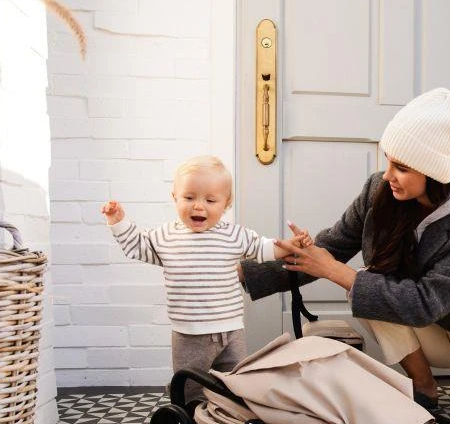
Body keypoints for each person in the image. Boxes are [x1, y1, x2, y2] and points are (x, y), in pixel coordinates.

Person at [242, 88, 450, 424]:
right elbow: (329, 249)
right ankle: (424, 388)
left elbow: (427, 301)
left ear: (432, 170)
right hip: (429, 337)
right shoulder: (378, 191)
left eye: (401, 167)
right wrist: (242, 274)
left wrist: (336, 271)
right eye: (388, 161)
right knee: (368, 288)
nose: (387, 175)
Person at [102, 155, 311, 401]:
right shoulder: (167, 236)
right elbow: (138, 246)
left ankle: (228, 421)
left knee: (235, 386)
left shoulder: (233, 235)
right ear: (175, 197)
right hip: (189, 335)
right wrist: (119, 222)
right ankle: (189, 421)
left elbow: (263, 249)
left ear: (226, 203)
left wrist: (291, 246)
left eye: (210, 200)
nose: (199, 206)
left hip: (231, 331)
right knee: (190, 390)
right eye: (189, 198)